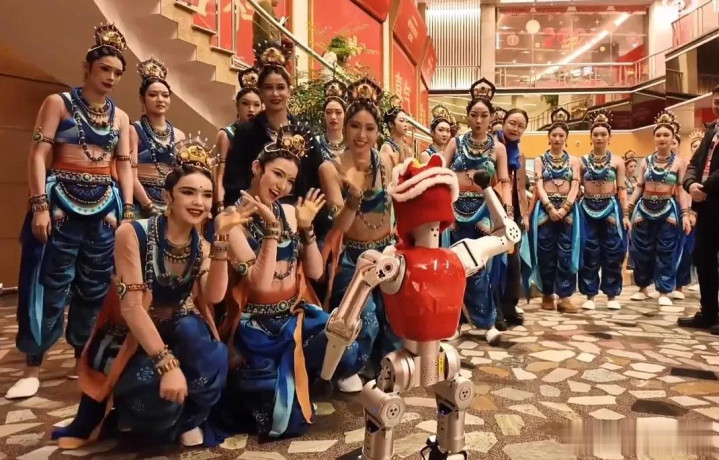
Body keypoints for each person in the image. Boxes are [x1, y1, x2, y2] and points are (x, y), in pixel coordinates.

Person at [52, 136, 253, 448]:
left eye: (206, 194)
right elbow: (132, 308)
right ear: (168, 195)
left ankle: (189, 419)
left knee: (213, 357)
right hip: (130, 334)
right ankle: (123, 417)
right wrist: (168, 365)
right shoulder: (133, 233)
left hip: (177, 327)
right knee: (155, 402)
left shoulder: (201, 246)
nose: (198, 202)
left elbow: (214, 297)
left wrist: (222, 240)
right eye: (188, 192)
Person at [9, 24, 134, 400]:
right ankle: (33, 366)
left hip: (104, 206)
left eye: (117, 72)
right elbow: (38, 154)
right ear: (87, 68)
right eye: (104, 69)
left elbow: (124, 164)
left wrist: (128, 210)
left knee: (95, 287)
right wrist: (39, 205)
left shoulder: (121, 117)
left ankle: (85, 359)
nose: (110, 77)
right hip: (61, 201)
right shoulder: (58, 103)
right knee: (48, 283)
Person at [218, 124, 362, 437]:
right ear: (257, 168)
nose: (282, 185)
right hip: (255, 326)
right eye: (277, 174)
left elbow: (316, 272)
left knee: (345, 345)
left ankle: (301, 373)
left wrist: (307, 228)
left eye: (290, 180)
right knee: (277, 415)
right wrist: (272, 231)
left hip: (294, 315)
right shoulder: (232, 221)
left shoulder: (288, 211)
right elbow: (259, 285)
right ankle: (282, 379)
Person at [320, 77, 401, 388]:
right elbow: (339, 225)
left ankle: (388, 365)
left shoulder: (387, 161)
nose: (362, 135)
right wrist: (353, 198)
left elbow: (397, 203)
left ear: (378, 132)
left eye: (369, 128)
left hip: (388, 250)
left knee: (395, 313)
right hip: (353, 258)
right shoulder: (331, 168)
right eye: (355, 126)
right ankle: (351, 367)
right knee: (364, 317)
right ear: (344, 127)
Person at [442, 77, 512, 343]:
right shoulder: (455, 143)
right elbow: (441, 174)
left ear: (491, 117)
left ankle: (487, 321)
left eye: (484, 115)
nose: (479, 120)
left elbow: (504, 182)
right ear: (467, 116)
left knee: (480, 268)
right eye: (474, 115)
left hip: (484, 211)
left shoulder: (499, 148)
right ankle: (453, 322)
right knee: (453, 266)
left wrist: (506, 213)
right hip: (455, 211)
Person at [223, 41, 323, 213]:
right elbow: (234, 181)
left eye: (280, 87)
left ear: (289, 91)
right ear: (260, 92)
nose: (275, 94)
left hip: (299, 214)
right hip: (255, 212)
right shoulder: (247, 132)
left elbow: (315, 183)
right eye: (268, 88)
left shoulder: (304, 133)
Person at [628, 111, 691, 307]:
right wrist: (628, 208)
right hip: (644, 207)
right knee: (641, 251)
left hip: (667, 209)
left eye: (666, 135)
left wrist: (685, 214)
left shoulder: (679, 163)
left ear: (673, 138)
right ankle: (642, 287)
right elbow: (639, 186)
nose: (662, 138)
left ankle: (664, 290)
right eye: (658, 135)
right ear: (654, 137)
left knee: (666, 251)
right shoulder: (646, 161)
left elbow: (681, 190)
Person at [528, 108, 580, 313]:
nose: (557, 139)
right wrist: (549, 207)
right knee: (546, 253)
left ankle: (565, 297)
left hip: (568, 210)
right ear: (548, 137)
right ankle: (547, 294)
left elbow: (575, 185)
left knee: (565, 253)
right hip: (545, 210)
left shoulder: (574, 161)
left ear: (566, 139)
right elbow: (538, 185)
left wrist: (565, 207)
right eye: (554, 135)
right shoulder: (540, 160)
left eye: (561, 136)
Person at [578, 111, 631, 311]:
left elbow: (622, 190)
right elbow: (576, 188)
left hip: (610, 208)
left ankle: (612, 295)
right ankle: (589, 295)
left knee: (612, 252)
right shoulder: (581, 161)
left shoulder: (617, 161)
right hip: (587, 209)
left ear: (609, 137)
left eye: (603, 134)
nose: (599, 138)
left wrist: (625, 215)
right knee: (589, 251)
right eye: (596, 134)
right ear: (590, 137)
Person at [678, 85, 719, 330]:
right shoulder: (711, 130)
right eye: (716, 101)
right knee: (703, 259)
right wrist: (691, 184)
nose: (718, 106)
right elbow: (693, 164)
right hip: (705, 207)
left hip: (713, 197)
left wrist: (705, 188)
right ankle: (708, 312)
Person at [131, 58, 186, 217]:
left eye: (165, 95)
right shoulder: (134, 130)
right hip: (140, 203)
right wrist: (148, 205)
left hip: (170, 203)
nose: (160, 100)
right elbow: (129, 174)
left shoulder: (179, 135)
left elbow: (180, 175)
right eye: (153, 95)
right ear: (142, 99)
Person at [494, 108, 530, 327]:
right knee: (496, 263)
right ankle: (495, 310)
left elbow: (521, 188)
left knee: (513, 264)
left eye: (520, 126)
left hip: (513, 216)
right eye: (512, 123)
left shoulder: (520, 156)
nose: (515, 129)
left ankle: (509, 306)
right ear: (503, 122)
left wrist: (524, 215)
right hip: (492, 213)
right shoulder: (491, 148)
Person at [213, 67, 262, 215]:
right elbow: (219, 174)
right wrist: (220, 204)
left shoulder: (265, 135)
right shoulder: (226, 134)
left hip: (259, 198)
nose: (251, 109)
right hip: (232, 198)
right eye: (246, 104)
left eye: (256, 105)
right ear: (237, 106)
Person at [315, 79, 346, 163]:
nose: (333, 117)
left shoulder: (352, 145)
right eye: (328, 112)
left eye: (338, 112)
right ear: (323, 115)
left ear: (345, 115)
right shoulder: (315, 142)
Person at [379, 97, 413, 167]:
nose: (405, 124)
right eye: (401, 121)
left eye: (406, 121)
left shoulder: (407, 147)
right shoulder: (387, 147)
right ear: (391, 124)